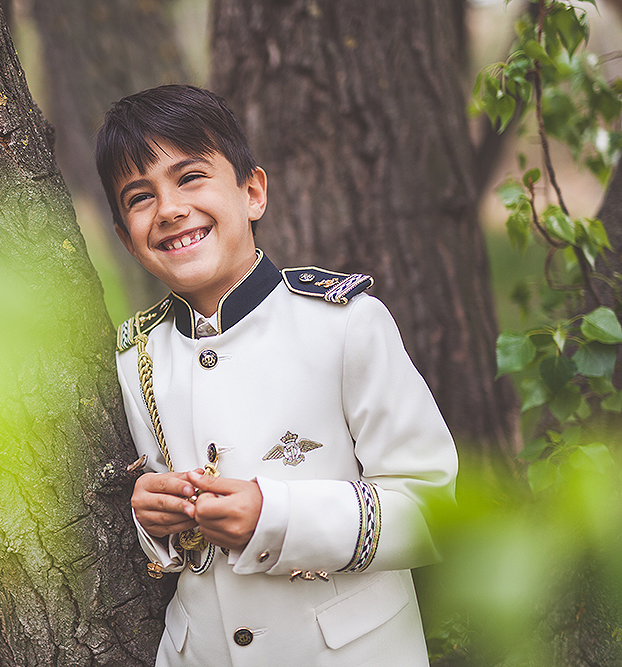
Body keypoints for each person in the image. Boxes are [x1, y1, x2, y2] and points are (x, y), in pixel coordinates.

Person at [95, 84, 458, 667]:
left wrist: (276, 518)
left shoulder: (345, 325)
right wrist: (156, 522)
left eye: (190, 177)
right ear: (125, 237)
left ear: (253, 192)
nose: (168, 209)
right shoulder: (137, 356)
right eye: (140, 197)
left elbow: (431, 508)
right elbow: (182, 548)